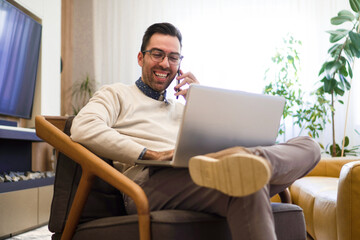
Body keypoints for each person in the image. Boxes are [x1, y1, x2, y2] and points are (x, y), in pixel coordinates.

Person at [70, 22, 320, 239]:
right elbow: (83, 127)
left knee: (309, 146)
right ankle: (248, 163)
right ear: (140, 58)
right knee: (243, 181)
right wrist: (151, 154)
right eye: (157, 54)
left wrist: (205, 104)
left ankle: (251, 162)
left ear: (180, 63)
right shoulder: (116, 94)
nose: (165, 63)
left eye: (173, 57)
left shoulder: (182, 109)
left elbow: (222, 141)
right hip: (151, 184)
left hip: (205, 173)